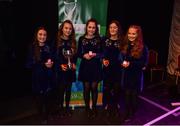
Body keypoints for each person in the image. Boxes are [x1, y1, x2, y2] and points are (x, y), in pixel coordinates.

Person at [26, 26, 55, 124]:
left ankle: (46, 115)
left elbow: (53, 59)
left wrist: (52, 63)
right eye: (40, 34)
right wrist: (43, 64)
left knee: (48, 98)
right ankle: (41, 116)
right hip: (37, 77)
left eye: (44, 35)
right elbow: (28, 64)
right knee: (39, 99)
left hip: (48, 76)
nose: (42, 36)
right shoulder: (32, 47)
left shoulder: (49, 46)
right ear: (36, 35)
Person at [121, 25, 148, 121]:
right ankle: (127, 112)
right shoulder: (126, 46)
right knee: (127, 95)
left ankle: (132, 113)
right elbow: (121, 58)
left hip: (136, 76)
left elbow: (143, 63)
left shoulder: (143, 48)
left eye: (133, 34)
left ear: (138, 35)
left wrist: (130, 64)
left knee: (134, 96)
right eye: (129, 33)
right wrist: (122, 63)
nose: (131, 35)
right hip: (127, 75)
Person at [77, 18, 103, 118]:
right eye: (89, 27)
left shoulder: (99, 39)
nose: (91, 29)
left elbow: (102, 53)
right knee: (86, 88)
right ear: (86, 28)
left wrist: (95, 55)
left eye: (93, 27)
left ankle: (94, 108)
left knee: (94, 87)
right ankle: (87, 108)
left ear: (96, 29)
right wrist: (84, 55)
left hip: (95, 66)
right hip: (85, 66)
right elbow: (79, 53)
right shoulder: (81, 39)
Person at [102, 20, 124, 117]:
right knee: (107, 88)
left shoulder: (122, 41)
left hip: (118, 69)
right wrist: (103, 60)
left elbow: (125, 54)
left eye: (115, 27)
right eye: (111, 27)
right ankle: (107, 104)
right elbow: (101, 53)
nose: (112, 29)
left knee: (116, 88)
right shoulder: (105, 40)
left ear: (118, 29)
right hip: (107, 69)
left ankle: (115, 104)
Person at [55, 19, 77, 117]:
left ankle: (67, 108)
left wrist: (73, 64)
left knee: (68, 90)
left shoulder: (73, 42)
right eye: (66, 28)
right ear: (62, 29)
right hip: (61, 71)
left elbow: (75, 56)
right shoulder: (57, 41)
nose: (68, 30)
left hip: (70, 71)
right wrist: (60, 65)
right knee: (61, 91)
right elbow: (55, 56)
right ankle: (60, 109)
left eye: (70, 29)